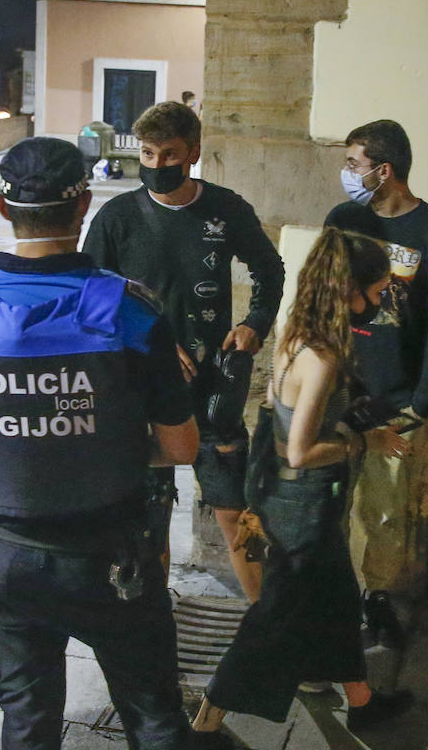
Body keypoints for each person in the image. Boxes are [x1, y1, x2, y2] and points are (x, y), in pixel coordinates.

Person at [0, 138, 236, 750]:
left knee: (27, 717)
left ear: (1, 207)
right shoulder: (130, 312)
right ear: (84, 204)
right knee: (151, 712)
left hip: (1, 558)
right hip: (113, 557)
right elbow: (180, 448)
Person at [188, 227, 415, 750]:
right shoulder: (322, 358)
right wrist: (361, 439)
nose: (381, 302)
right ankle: (204, 722)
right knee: (275, 616)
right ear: (349, 292)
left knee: (337, 595)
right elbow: (299, 449)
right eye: (377, 291)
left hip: (297, 503)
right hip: (303, 507)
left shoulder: (296, 335)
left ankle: (360, 700)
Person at [82, 100, 284, 601]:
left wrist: (254, 324)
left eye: (168, 154)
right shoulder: (117, 218)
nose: (155, 166)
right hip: (141, 390)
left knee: (235, 509)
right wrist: (149, 344)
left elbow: (269, 270)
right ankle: (154, 614)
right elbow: (88, 296)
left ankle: (266, 618)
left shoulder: (226, 208)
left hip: (213, 387)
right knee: (150, 516)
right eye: (147, 154)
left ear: (193, 153)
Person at [323, 119, 428, 598]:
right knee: (328, 511)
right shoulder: (342, 219)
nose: (346, 173)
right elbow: (320, 300)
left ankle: (376, 602)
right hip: (338, 396)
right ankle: (331, 602)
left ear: (383, 171)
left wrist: (425, 399)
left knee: (384, 517)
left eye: (352, 164)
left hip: (396, 401)